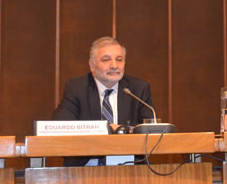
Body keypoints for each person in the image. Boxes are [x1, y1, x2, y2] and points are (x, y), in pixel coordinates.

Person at [53, 36, 154, 166]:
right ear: (92, 65)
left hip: (129, 166)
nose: (114, 66)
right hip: (84, 168)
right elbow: (62, 126)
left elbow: (150, 132)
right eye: (106, 60)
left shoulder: (138, 89)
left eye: (119, 60)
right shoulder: (76, 88)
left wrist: (123, 130)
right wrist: (106, 129)